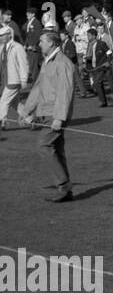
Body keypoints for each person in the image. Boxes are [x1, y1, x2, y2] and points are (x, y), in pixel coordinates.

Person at [16, 30, 77, 201]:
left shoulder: (62, 63)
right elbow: (37, 89)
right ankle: (66, 190)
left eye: (42, 41)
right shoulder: (47, 62)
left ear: (51, 43)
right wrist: (26, 111)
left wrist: (59, 117)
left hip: (55, 114)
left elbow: (65, 92)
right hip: (46, 113)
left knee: (43, 144)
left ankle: (63, 184)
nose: (39, 44)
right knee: (56, 150)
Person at [0, 25, 30, 128]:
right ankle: (29, 118)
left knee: (4, 100)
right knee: (14, 103)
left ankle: (2, 121)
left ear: (9, 35)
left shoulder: (18, 47)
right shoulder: (2, 48)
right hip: (6, 80)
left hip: (14, 79)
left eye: (2, 35)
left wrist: (24, 79)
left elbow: (24, 64)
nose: (0, 38)